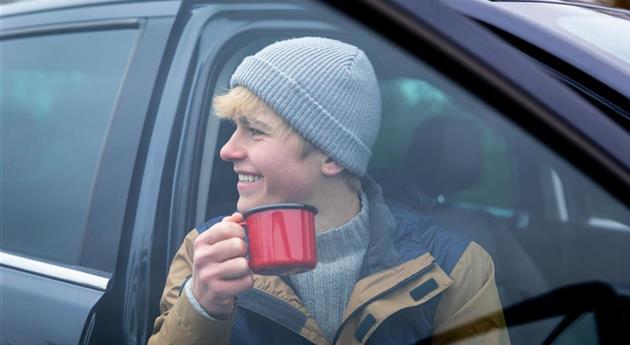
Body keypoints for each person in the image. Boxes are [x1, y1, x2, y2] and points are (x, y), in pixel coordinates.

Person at [147, 37, 509, 345]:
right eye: (234, 128)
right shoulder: (205, 251)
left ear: (332, 155)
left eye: (254, 130)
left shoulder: (455, 267)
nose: (226, 150)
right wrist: (201, 307)